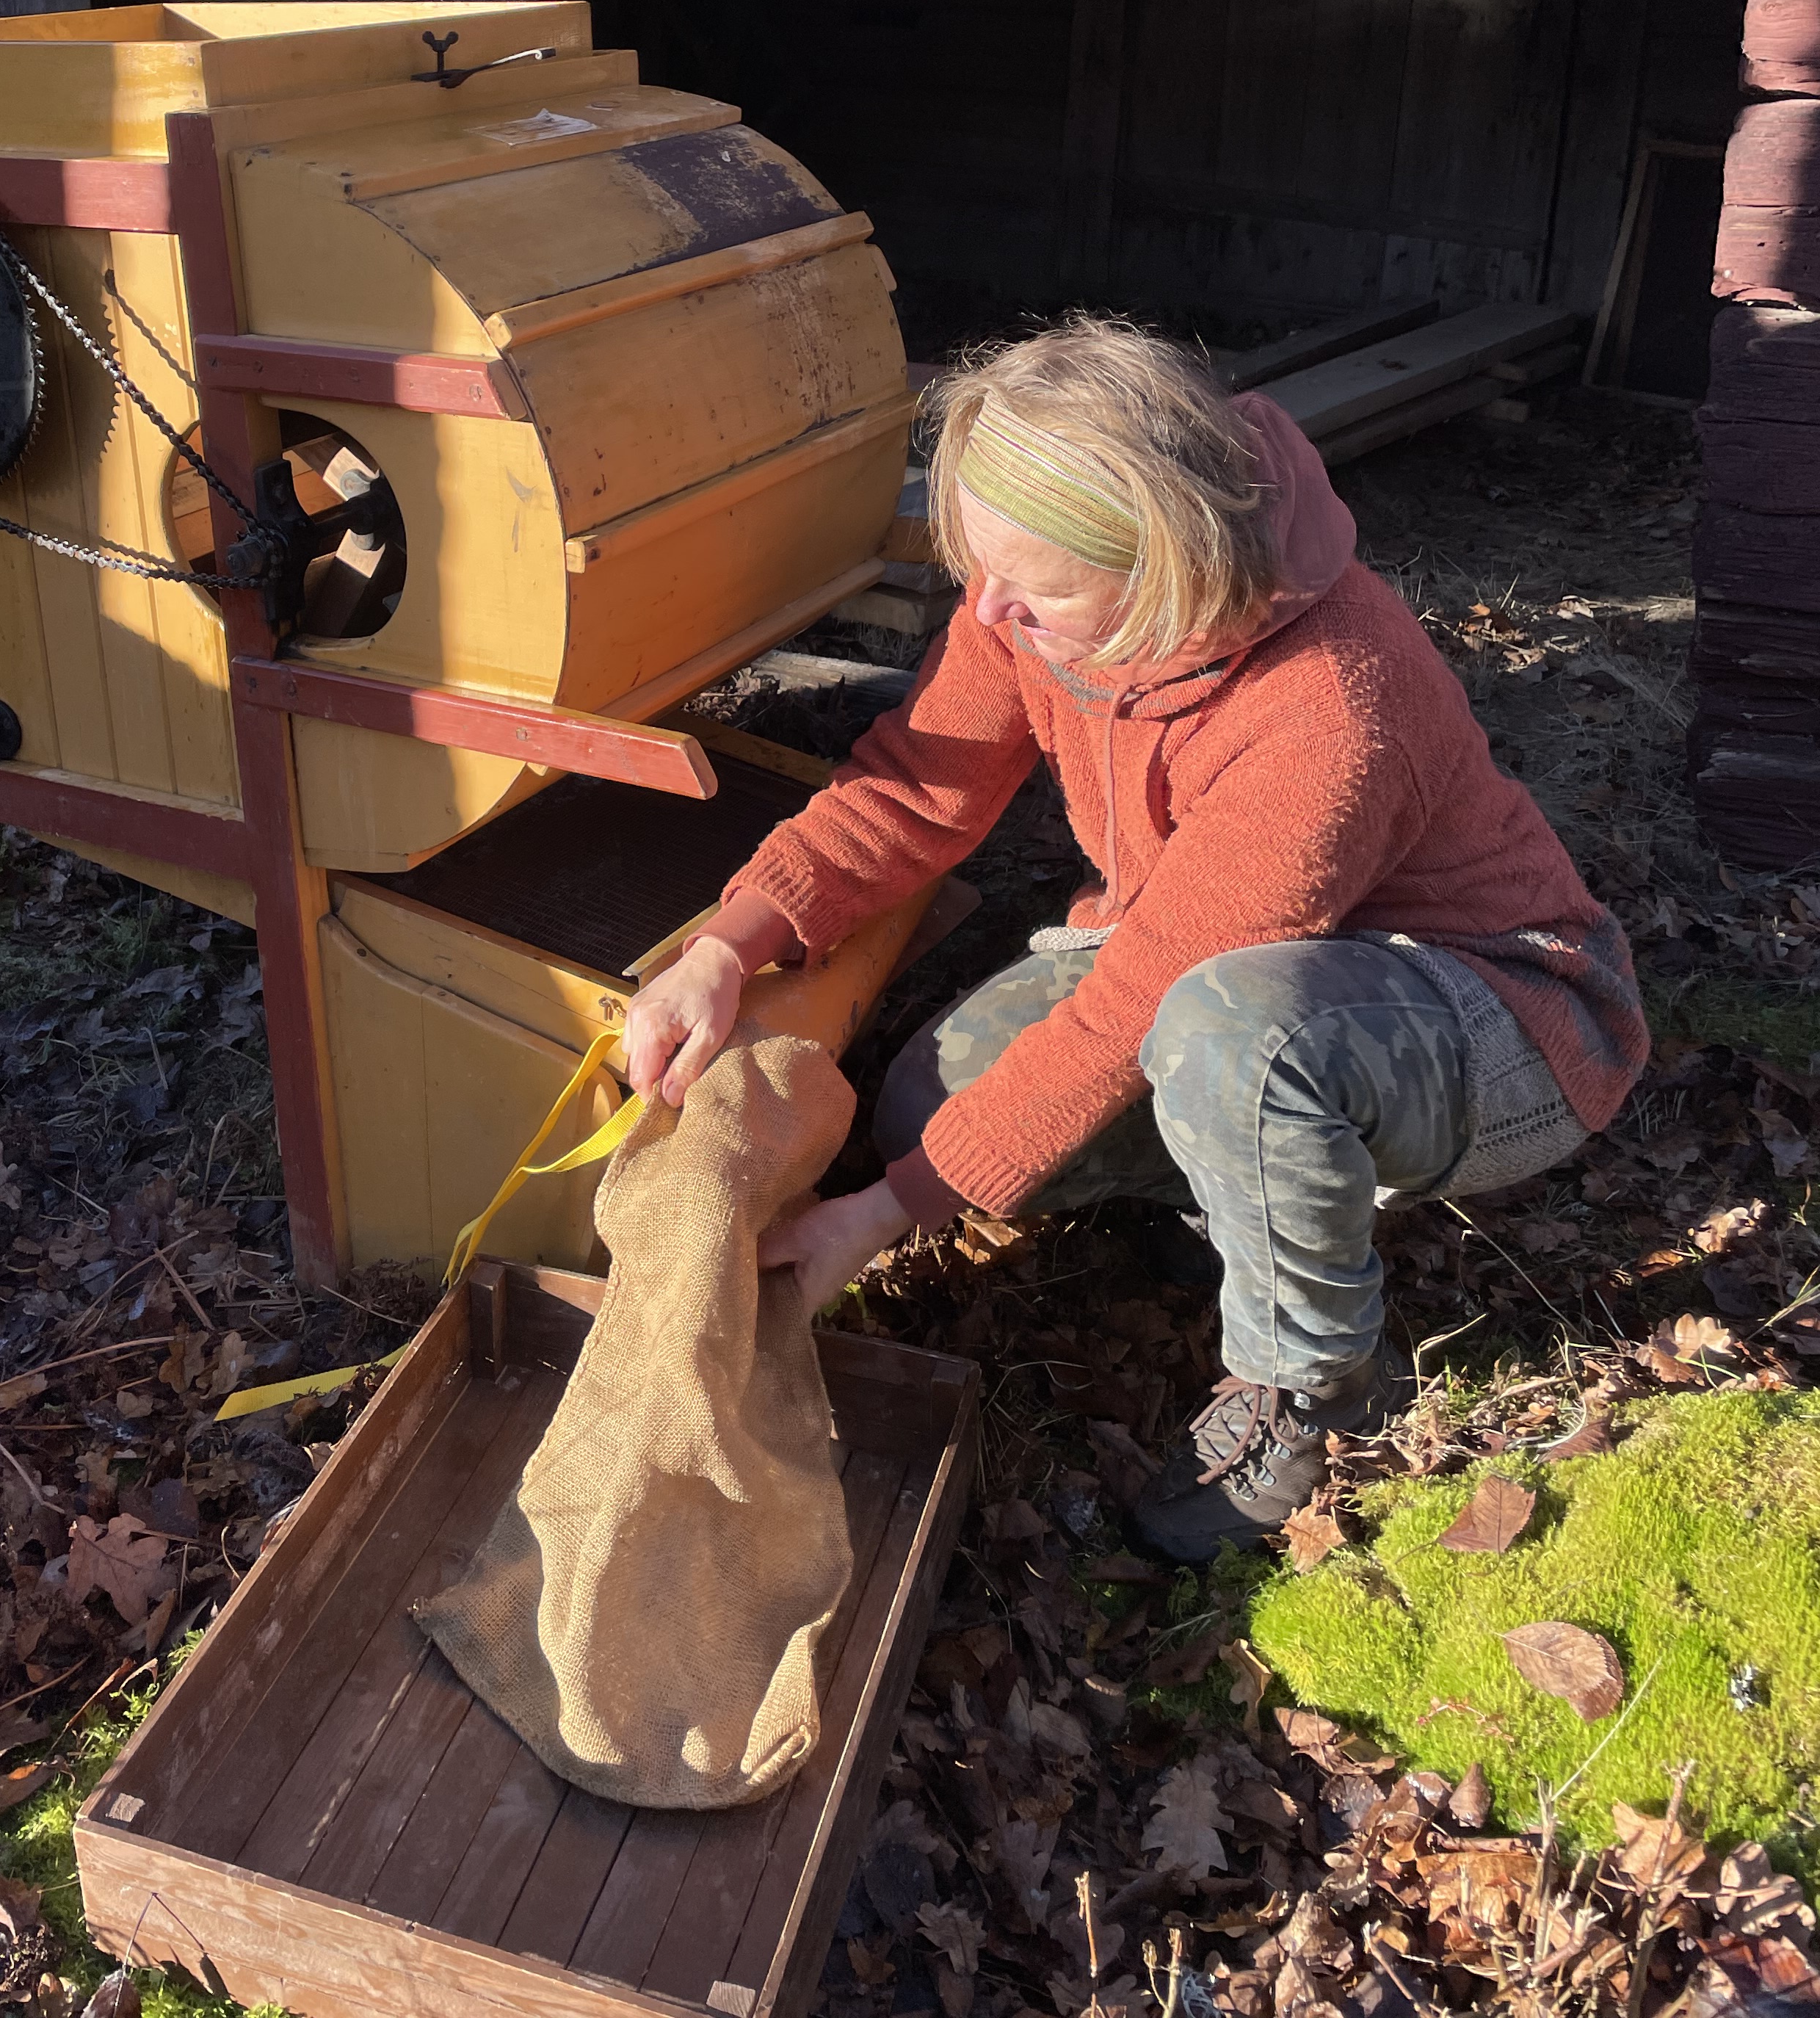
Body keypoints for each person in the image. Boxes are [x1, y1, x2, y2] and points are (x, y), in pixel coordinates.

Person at [620, 317, 1647, 1560]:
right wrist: (734, 943)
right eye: (978, 571)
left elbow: (1146, 1002)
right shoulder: (1037, 613)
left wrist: (876, 1221)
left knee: (1235, 1045)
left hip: (1495, 1016)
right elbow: (914, 788)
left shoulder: (1330, 709)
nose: (989, 610)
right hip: (1231, 968)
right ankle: (1244, 1195)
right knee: (926, 1113)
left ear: (1162, 567)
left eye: (1033, 588)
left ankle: (1307, 1387)